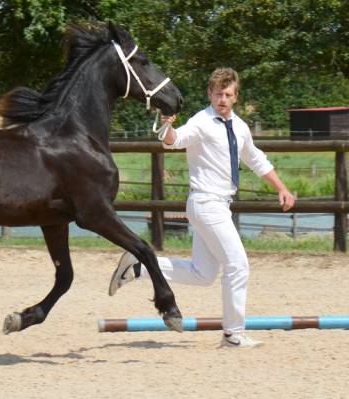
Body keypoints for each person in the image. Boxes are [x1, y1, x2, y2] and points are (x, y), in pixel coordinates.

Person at [109, 68, 296, 348]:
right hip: (207, 203)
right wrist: (167, 126)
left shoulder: (240, 127)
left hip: (217, 205)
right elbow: (174, 141)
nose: (222, 99)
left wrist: (281, 188)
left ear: (236, 97)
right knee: (238, 266)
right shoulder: (202, 121)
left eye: (228, 94)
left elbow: (256, 159)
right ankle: (233, 334)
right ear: (210, 93)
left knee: (203, 274)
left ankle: (140, 267)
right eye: (218, 93)